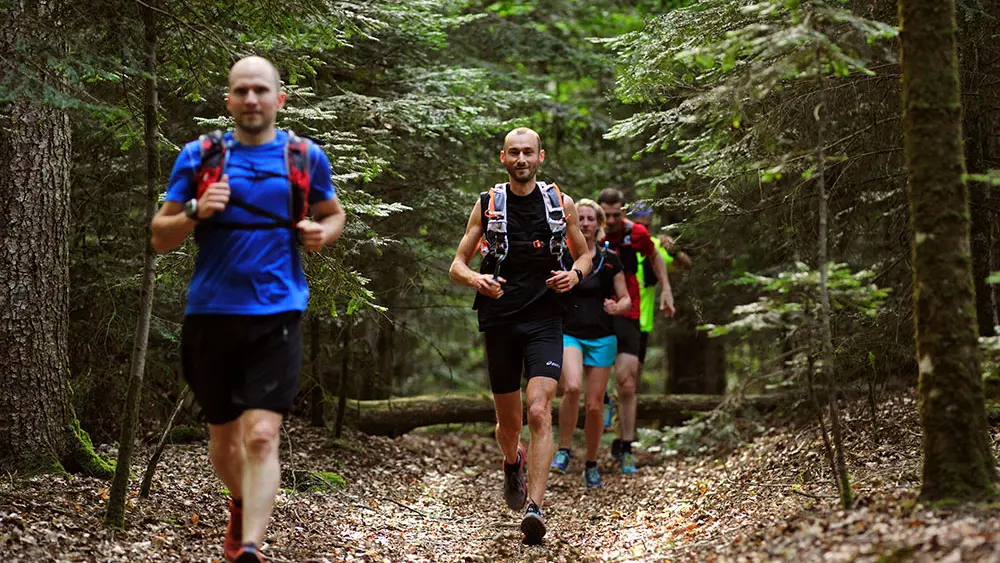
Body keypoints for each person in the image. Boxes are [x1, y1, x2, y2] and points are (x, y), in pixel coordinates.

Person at [151, 56, 346, 563]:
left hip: (278, 312)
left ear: (280, 98)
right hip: (211, 313)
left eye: (262, 90)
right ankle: (239, 505)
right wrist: (196, 210)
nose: (252, 99)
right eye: (242, 91)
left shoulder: (304, 156)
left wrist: (321, 234)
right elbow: (160, 237)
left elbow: (333, 213)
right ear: (229, 100)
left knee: (261, 435)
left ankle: (250, 548)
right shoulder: (200, 156)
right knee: (224, 442)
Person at [449, 127, 591, 545]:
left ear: (541, 157)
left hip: (546, 319)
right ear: (503, 158)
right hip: (500, 320)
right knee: (508, 424)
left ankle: (535, 506)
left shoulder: (559, 204)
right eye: (514, 153)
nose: (522, 159)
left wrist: (575, 274)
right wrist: (477, 279)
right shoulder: (487, 204)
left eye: (528, 152)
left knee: (539, 410)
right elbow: (457, 264)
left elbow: (584, 252)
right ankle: (512, 461)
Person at [549, 199, 631, 489]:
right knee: (571, 387)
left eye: (589, 219)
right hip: (569, 332)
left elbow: (626, 299)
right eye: (580, 218)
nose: (584, 223)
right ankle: (564, 449)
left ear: (599, 224)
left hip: (602, 336)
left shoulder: (610, 259)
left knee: (595, 407)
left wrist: (617, 307)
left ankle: (592, 464)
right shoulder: (561, 255)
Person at [597, 188, 674, 474]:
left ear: (624, 213)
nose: (613, 220)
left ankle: (627, 446)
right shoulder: (591, 229)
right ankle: (604, 401)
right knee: (589, 371)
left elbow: (655, 257)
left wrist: (666, 290)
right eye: (608, 215)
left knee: (628, 383)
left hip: (629, 312)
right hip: (596, 312)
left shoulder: (637, 234)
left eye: (618, 214)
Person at [630, 206, 692, 378]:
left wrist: (674, 250)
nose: (641, 229)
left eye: (645, 226)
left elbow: (686, 265)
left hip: (642, 321)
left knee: (635, 372)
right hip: (614, 318)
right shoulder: (619, 243)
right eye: (636, 225)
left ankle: (628, 404)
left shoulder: (655, 246)